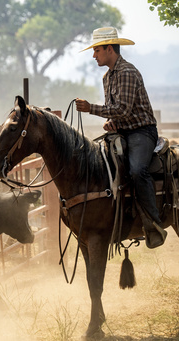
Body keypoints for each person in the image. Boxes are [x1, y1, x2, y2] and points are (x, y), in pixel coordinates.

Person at [75, 27, 166, 248]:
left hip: (142, 132)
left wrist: (91, 109)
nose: (94, 55)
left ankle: (153, 223)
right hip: (123, 132)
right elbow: (115, 111)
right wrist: (110, 123)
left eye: (97, 50)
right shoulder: (108, 77)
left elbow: (123, 109)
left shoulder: (127, 72)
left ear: (109, 49)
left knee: (137, 170)